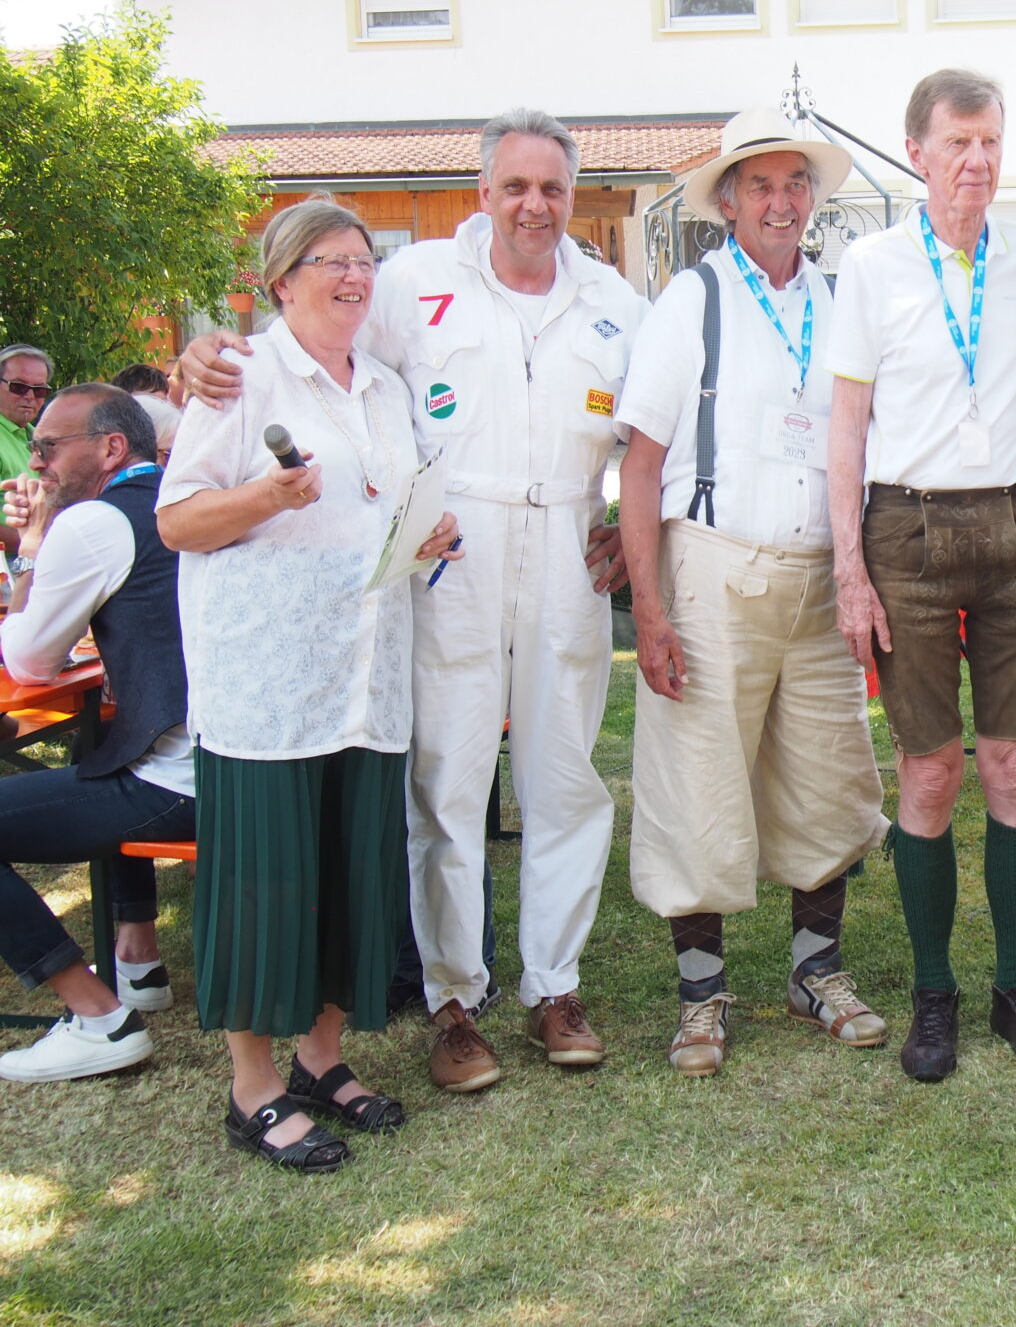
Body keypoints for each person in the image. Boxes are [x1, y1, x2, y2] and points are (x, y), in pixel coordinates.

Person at [173, 108, 646, 1093]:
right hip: (450, 547)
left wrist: (624, 527)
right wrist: (207, 357)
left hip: (565, 545)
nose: (533, 205)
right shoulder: (414, 280)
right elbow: (307, 332)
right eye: (514, 185)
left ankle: (554, 986)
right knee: (449, 782)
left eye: (552, 188)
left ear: (570, 195)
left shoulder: (611, 299)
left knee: (566, 778)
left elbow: (652, 429)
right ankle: (452, 1000)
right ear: (484, 191)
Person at [157, 199, 462, 1173]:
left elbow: (383, 515)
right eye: (329, 260)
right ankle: (253, 1090)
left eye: (364, 260)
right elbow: (176, 521)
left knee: (347, 871)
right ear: (282, 280)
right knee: (267, 883)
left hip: (365, 678)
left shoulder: (381, 386)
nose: (353, 276)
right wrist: (264, 495)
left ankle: (322, 1059)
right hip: (267, 686)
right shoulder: (237, 375)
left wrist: (428, 538)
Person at [616, 109, 889, 1077]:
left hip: (821, 574)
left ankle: (815, 971)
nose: (781, 203)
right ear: (727, 202)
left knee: (829, 774)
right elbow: (639, 468)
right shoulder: (692, 300)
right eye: (761, 186)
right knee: (700, 780)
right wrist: (649, 611)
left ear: (813, 200)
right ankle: (701, 995)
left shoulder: (841, 299)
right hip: (712, 569)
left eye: (796, 185)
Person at [827, 69, 1016, 1082]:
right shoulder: (873, 265)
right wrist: (850, 569)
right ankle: (935, 989)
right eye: (958, 144)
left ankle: (1015, 984)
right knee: (930, 770)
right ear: (918, 152)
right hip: (907, 528)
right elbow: (845, 427)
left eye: (991, 142)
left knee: (1013, 766)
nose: (977, 162)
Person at [0, 385, 193, 1082]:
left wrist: (29, 544)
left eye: (50, 446)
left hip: (179, 784)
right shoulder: (186, 502)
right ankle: (137, 958)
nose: (38, 459)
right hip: (241, 765)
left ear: (111, 448)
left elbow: (26, 659)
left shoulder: (94, 524)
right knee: (98, 741)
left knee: (109, 746)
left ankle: (99, 1018)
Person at [1, 344, 54, 558]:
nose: (30, 396)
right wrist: (38, 541)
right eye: (19, 387)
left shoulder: (37, 437)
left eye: (39, 390)